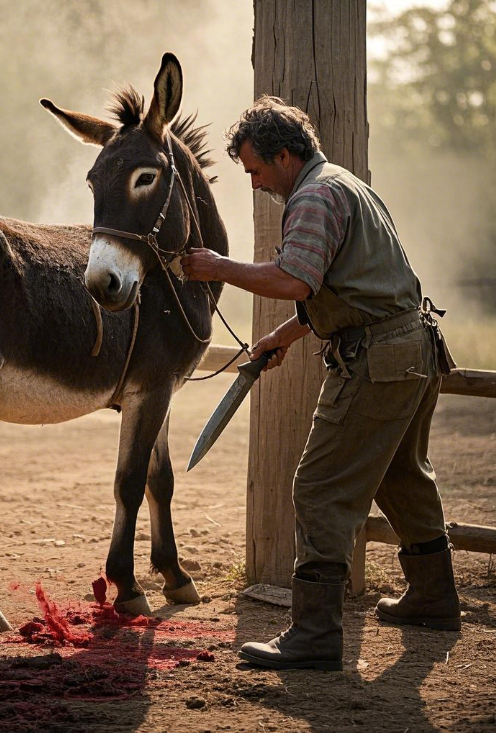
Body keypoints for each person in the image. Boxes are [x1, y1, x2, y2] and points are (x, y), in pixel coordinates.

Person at [180, 96, 460, 672]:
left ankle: (313, 635)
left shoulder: (313, 195)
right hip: (410, 347)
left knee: (318, 489)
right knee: (402, 477)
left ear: (285, 155)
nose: (255, 184)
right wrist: (283, 336)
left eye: (256, 169)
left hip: (378, 359)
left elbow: (293, 279)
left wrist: (217, 268)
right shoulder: (343, 184)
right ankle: (434, 597)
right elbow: (351, 283)